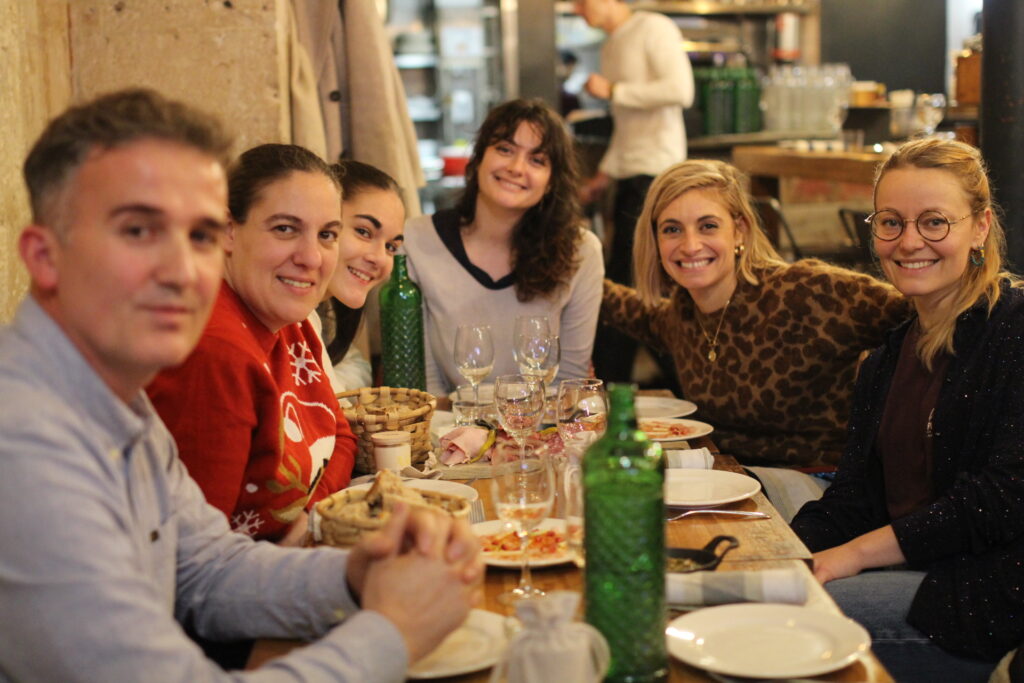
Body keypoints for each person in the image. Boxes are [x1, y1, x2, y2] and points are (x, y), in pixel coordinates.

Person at [0, 87, 482, 681]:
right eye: (138, 231)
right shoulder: (22, 447)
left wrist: (358, 571)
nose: (182, 270)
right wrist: (393, 633)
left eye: (201, 235)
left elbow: (204, 566)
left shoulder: (107, 394)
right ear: (44, 258)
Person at [791, 138, 1024, 682]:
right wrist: (777, 554)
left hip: (989, 592)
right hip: (919, 568)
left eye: (935, 222)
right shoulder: (888, 357)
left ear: (981, 228)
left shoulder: (1013, 329)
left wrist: (852, 556)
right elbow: (853, 496)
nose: (909, 241)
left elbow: (1003, 497)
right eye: (891, 222)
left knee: (795, 621)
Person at [600, 159, 909, 469]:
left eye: (708, 226)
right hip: (733, 477)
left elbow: (918, 309)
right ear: (654, 239)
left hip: (817, 487)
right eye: (672, 230)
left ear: (739, 231)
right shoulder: (683, 314)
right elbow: (623, 305)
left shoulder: (804, 292)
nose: (690, 245)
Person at [147, 143, 360, 545]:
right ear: (227, 230)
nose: (311, 257)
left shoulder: (286, 317)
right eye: (285, 229)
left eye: (327, 234)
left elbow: (340, 435)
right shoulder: (214, 352)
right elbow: (195, 562)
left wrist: (311, 519)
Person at [403, 98, 604, 397]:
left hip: (539, 430)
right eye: (505, 149)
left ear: (551, 182)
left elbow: (569, 382)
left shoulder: (582, 251)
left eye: (537, 160)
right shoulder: (416, 238)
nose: (515, 168)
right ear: (478, 158)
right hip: (449, 428)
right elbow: (425, 383)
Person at [573, 0, 695, 383]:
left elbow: (681, 90)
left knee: (628, 286)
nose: (578, 10)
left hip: (656, 174)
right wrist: (601, 178)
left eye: (580, 1)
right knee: (634, 284)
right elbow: (627, 131)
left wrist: (615, 89)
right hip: (630, 177)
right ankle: (669, 386)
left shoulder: (653, 27)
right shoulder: (610, 45)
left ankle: (612, 390)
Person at [313, 160, 406, 393]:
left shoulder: (321, 314)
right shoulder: (287, 313)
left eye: (391, 247)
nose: (380, 258)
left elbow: (357, 366)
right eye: (364, 232)